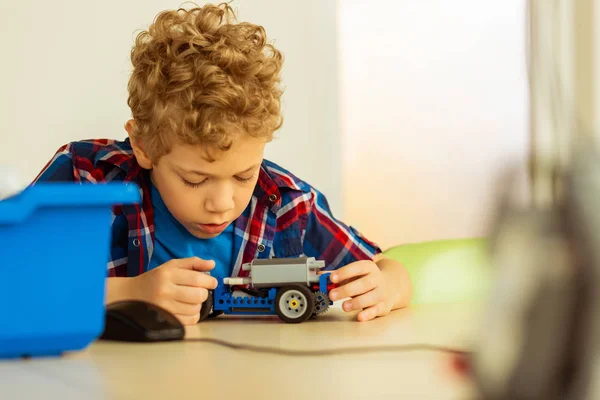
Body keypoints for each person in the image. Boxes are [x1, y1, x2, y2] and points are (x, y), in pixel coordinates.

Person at [34, 3, 412, 324]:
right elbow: (15, 281)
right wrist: (128, 292)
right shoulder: (86, 179)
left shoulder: (285, 203)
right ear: (144, 146)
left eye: (243, 175)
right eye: (196, 180)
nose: (223, 202)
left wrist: (388, 286)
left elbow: (389, 266)